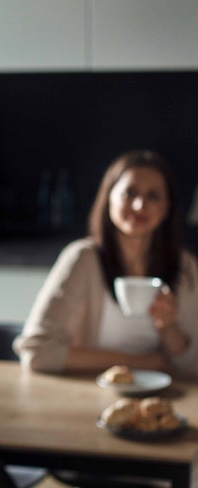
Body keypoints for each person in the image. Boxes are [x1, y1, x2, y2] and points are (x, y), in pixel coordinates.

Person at [14, 150, 198, 376]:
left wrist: (168, 327)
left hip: (161, 399)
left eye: (153, 196)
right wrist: (137, 363)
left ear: (167, 208)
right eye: (129, 193)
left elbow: (192, 367)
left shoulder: (185, 267)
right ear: (108, 197)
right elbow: (37, 352)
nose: (140, 206)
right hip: (89, 395)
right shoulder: (83, 259)